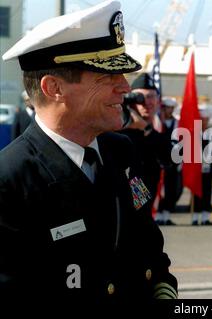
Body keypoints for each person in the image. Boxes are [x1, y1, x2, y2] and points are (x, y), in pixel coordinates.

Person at [0, 0, 177, 305]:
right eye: (107, 77)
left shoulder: (121, 152)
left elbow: (152, 256)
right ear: (54, 87)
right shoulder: (10, 181)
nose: (124, 87)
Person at [119, 73, 172, 210]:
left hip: (147, 201)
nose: (146, 102)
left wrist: (145, 127)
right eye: (140, 97)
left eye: (151, 97)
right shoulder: (118, 130)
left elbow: (168, 157)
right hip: (127, 203)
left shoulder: (159, 129)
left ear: (158, 100)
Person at [156, 96, 181, 225]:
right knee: (158, 188)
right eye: (168, 108)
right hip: (159, 162)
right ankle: (157, 214)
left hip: (173, 161)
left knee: (171, 189)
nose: (170, 111)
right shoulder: (157, 123)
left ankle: (166, 214)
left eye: (172, 108)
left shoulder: (178, 123)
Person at [191, 106, 212, 225]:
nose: (204, 122)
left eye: (205, 120)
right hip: (196, 168)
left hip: (207, 168)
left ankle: (205, 217)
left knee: (207, 192)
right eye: (201, 120)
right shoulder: (194, 135)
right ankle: (195, 217)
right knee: (196, 193)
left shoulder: (211, 135)